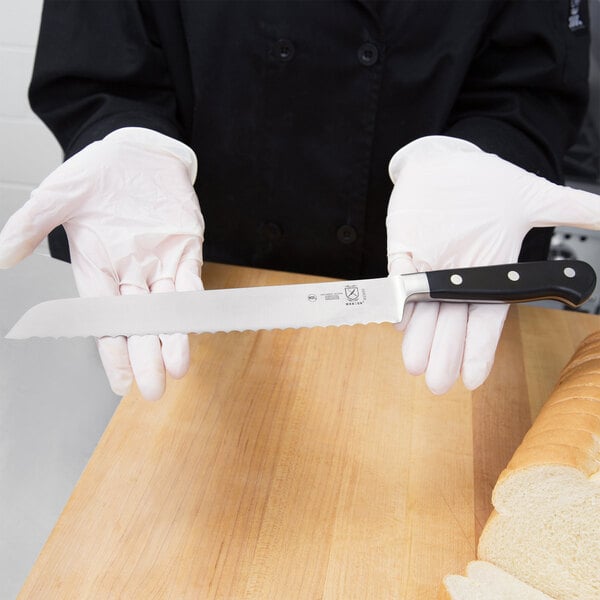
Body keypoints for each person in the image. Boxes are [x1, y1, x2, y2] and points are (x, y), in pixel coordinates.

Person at [0, 0, 599, 401]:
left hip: (440, 261)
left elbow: (530, 81)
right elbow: (96, 56)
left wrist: (480, 152)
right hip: (187, 274)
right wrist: (125, 132)